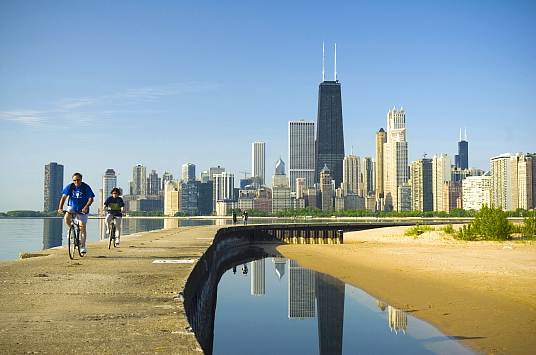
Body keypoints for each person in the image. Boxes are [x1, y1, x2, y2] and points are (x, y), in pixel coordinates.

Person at [58, 173, 95, 255]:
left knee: (82, 227)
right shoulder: (70, 187)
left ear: (81, 179)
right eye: (74, 180)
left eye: (78, 180)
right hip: (72, 207)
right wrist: (60, 208)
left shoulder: (86, 187)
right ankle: (71, 228)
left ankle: (83, 246)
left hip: (83, 209)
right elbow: (63, 197)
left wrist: (86, 207)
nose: (76, 182)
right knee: (67, 216)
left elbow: (91, 199)